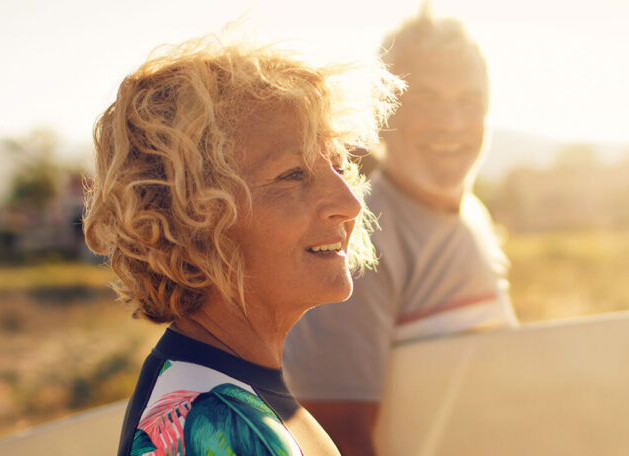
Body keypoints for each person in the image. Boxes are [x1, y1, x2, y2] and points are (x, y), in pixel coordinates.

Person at [82, 32, 401, 456]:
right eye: (292, 174)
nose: (349, 202)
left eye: (339, 166)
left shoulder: (227, 390)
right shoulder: (209, 419)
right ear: (192, 217)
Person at [282, 10, 517, 455]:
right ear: (382, 112)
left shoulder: (472, 215)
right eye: (426, 98)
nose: (452, 122)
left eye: (470, 100)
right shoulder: (354, 238)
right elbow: (335, 434)